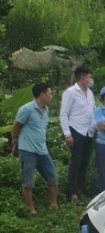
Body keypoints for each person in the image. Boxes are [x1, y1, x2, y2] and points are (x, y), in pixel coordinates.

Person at [11, 83, 59, 216]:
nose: (51, 96)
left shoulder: (46, 110)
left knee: (52, 177)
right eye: (49, 93)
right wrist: (15, 142)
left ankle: (53, 205)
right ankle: (30, 208)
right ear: (42, 95)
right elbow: (15, 127)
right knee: (28, 180)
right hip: (27, 150)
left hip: (43, 150)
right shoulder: (26, 109)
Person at [60, 66, 96, 202]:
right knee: (76, 161)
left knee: (85, 161)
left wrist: (94, 125)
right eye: (90, 77)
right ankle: (72, 191)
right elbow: (63, 113)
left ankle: (81, 187)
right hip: (76, 130)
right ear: (83, 77)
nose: (91, 80)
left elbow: (92, 111)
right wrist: (67, 134)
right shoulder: (70, 93)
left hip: (88, 131)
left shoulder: (90, 93)